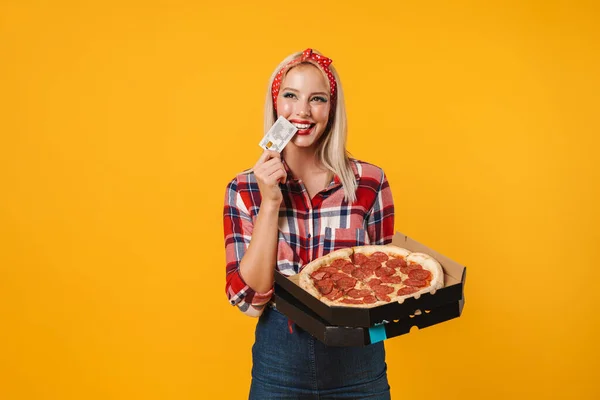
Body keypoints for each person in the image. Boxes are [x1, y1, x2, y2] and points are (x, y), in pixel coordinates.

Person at [223, 48, 395, 399]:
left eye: (317, 99)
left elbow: (382, 281)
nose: (302, 111)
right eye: (290, 95)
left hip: (359, 367)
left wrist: (377, 335)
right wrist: (271, 202)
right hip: (279, 368)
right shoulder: (243, 189)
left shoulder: (369, 182)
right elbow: (249, 302)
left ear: (331, 110)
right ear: (275, 104)